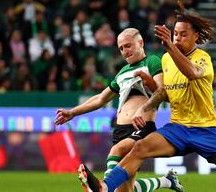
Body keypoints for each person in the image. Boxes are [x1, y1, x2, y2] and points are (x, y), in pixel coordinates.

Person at [81, 3, 216, 192]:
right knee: (140, 147)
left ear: (196, 36)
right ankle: (104, 187)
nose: (177, 38)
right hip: (179, 128)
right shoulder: (167, 59)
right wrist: (150, 87)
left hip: (206, 130)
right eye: (175, 34)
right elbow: (168, 93)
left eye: (183, 34)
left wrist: (169, 45)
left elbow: (192, 73)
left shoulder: (202, 58)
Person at [54, 28, 183, 192]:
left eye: (128, 45)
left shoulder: (152, 62)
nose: (124, 51)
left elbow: (162, 90)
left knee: (117, 151)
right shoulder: (122, 72)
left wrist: (143, 108)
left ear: (140, 43)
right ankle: (167, 181)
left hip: (141, 127)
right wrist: (73, 112)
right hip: (120, 130)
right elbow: (101, 98)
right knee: (124, 189)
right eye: (121, 48)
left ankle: (103, 187)